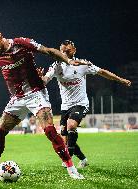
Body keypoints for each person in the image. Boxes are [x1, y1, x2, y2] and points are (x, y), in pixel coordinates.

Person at [0, 24, 89, 179]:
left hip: (36, 93)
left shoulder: (21, 43)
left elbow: (48, 51)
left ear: (0, 36)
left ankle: (71, 169)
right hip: (17, 99)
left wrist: (68, 61)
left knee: (49, 131)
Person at [40, 39, 131, 168]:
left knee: (71, 126)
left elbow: (102, 72)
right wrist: (39, 79)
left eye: (68, 50)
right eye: (62, 51)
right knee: (65, 136)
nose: (65, 52)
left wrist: (120, 80)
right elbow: (44, 80)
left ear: (74, 51)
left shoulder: (83, 64)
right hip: (65, 107)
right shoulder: (56, 66)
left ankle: (68, 157)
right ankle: (83, 159)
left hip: (81, 103)